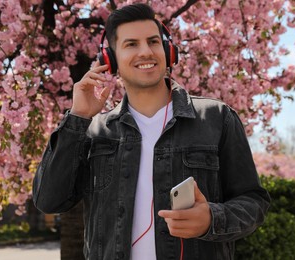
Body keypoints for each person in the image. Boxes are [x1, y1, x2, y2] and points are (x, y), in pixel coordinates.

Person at [32, 3, 270, 260]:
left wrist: (212, 218)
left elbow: (254, 202)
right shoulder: (94, 131)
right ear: (110, 59)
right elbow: (49, 200)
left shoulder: (217, 118)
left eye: (153, 42)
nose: (146, 52)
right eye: (131, 44)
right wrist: (77, 119)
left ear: (168, 51)